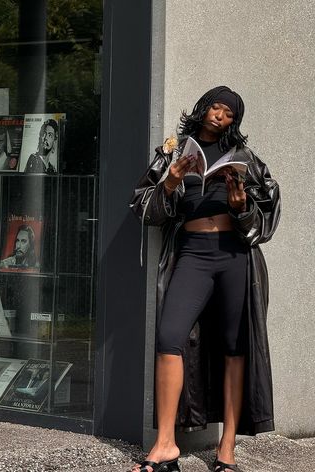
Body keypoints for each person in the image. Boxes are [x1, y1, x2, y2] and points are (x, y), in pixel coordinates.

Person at [129, 86, 281, 472]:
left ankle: (226, 448)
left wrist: (241, 206)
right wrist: (170, 182)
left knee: (234, 345)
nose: (220, 116)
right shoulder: (175, 151)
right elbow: (143, 208)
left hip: (234, 255)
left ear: (235, 122)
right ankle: (165, 446)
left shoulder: (245, 159)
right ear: (203, 107)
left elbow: (267, 218)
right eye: (216, 107)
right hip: (193, 254)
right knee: (169, 337)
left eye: (229, 114)